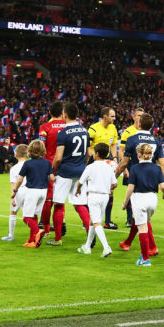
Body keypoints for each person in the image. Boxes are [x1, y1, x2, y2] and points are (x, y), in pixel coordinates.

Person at [49, 102, 91, 246]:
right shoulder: (85, 131)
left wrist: (54, 169)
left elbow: (58, 157)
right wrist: (82, 165)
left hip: (65, 172)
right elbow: (89, 153)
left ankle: (58, 239)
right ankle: (90, 236)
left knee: (59, 204)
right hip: (80, 172)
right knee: (80, 205)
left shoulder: (63, 133)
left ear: (64, 115)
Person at [121, 144, 164, 266]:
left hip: (139, 198)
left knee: (143, 229)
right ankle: (143, 253)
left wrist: (125, 203)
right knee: (144, 225)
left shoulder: (135, 168)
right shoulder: (157, 168)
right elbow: (163, 186)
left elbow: (130, 188)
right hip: (153, 199)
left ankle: (145, 259)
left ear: (138, 155)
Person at [117, 113, 159, 252]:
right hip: (153, 179)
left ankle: (151, 249)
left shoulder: (132, 139)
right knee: (141, 216)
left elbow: (124, 162)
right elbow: (163, 164)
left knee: (142, 217)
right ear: (152, 126)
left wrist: (114, 177)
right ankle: (128, 242)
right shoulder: (156, 140)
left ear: (139, 124)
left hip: (137, 178)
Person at [75, 142, 117, 257]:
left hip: (93, 196)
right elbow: (114, 184)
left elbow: (80, 181)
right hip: (105, 197)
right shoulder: (109, 167)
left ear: (97, 154)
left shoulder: (90, 167)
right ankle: (87, 247)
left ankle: (106, 247)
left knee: (96, 222)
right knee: (93, 221)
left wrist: (78, 190)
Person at [12, 140, 52, 248]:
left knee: (26, 217)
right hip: (43, 192)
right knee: (34, 216)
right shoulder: (47, 163)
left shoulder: (27, 163)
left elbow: (20, 180)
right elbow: (52, 178)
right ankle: (32, 241)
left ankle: (38, 231)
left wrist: (15, 190)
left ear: (30, 150)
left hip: (32, 191)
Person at [37, 102, 68, 235]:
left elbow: (41, 148)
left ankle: (46, 228)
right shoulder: (68, 127)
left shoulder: (44, 127)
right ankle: (61, 228)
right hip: (65, 166)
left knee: (48, 198)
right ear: (63, 113)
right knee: (60, 199)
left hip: (49, 166)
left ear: (50, 113)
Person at [88, 106, 120, 230]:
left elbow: (113, 144)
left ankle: (107, 221)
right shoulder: (93, 128)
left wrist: (115, 158)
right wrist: (91, 157)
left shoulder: (113, 128)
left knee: (110, 190)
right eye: (112, 116)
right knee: (93, 191)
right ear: (105, 116)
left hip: (108, 163)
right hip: (95, 162)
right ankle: (91, 220)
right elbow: (88, 146)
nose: (114, 118)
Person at [1, 143, 29, 241]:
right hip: (31, 191)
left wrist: (12, 197)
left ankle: (11, 236)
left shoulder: (14, 168)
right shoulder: (31, 165)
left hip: (19, 191)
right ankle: (36, 233)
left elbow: (13, 184)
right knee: (30, 215)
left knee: (13, 212)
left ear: (16, 154)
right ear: (27, 154)